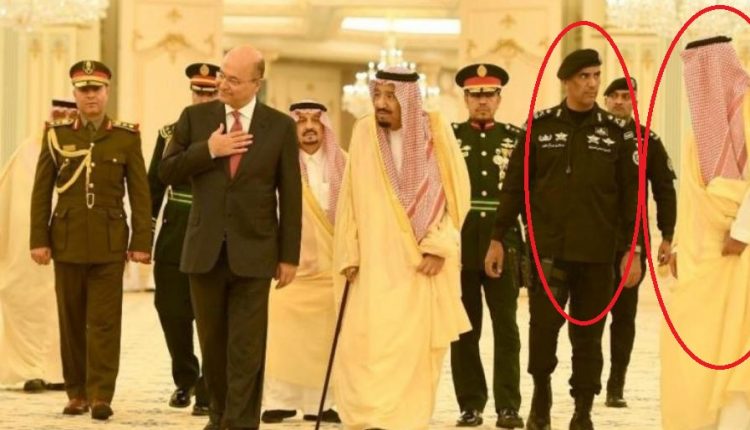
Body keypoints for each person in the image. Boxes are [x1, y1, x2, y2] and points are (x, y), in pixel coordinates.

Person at [485, 49, 641, 430]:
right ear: (567, 81)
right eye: (584, 76)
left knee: (589, 336)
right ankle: (541, 395)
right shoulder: (539, 127)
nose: (592, 83)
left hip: (598, 255)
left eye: (596, 75)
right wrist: (497, 237)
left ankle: (583, 408)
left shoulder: (617, 132)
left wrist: (632, 249)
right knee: (542, 329)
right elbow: (514, 187)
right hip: (549, 251)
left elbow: (631, 198)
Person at [158, 45, 302, 430]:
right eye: (223, 75)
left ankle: (241, 422)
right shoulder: (194, 118)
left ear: (257, 83)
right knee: (213, 345)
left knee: (247, 347)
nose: (223, 84)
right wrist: (209, 149)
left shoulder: (279, 126)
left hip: (255, 251)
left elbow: (290, 195)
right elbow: (166, 171)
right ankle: (219, 415)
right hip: (204, 251)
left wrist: (289, 256)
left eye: (234, 80)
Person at [332, 66, 471, 430]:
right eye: (377, 95)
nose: (381, 103)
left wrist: (440, 247)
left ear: (409, 99)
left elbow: (458, 196)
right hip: (373, 266)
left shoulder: (436, 131)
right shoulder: (364, 133)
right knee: (367, 346)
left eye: (390, 96)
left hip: (419, 267)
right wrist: (348, 251)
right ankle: (370, 418)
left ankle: (405, 419)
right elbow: (349, 198)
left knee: (413, 350)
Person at [29, 60, 152, 421]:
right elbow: (41, 191)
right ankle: (77, 392)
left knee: (105, 322)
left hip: (110, 243)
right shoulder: (56, 135)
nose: (90, 96)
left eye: (96, 89)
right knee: (71, 321)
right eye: (83, 90)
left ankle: (101, 394)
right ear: (75, 93)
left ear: (107, 91)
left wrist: (142, 240)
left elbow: (140, 193)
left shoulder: (126, 137)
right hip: (66, 241)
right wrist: (38, 238)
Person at [661, 35, 750, 430]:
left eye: (709, 73)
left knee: (738, 339)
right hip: (705, 257)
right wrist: (681, 245)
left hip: (740, 250)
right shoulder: (698, 135)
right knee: (700, 341)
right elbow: (693, 196)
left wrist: (744, 231)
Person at [449, 63, 525, 429]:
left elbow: (528, 193)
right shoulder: (449, 138)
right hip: (461, 242)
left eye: (489, 95)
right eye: (476, 95)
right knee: (464, 329)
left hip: (504, 241)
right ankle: (470, 404)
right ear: (465, 98)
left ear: (499, 98)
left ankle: (508, 405)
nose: (483, 101)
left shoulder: (516, 139)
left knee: (506, 328)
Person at [261, 100, 344, 425]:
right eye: (301, 121)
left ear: (325, 127)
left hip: (331, 269)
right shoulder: (275, 163)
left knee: (325, 340)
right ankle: (279, 401)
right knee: (282, 337)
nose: (309, 127)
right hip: (288, 268)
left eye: (315, 121)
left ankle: (320, 404)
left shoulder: (344, 164)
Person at [147, 62, 220, 416]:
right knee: (170, 310)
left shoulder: (230, 134)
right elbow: (154, 185)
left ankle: (208, 387)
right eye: (198, 91)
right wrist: (143, 237)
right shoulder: (169, 133)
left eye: (210, 92)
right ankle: (186, 378)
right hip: (175, 233)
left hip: (212, 232)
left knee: (210, 314)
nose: (203, 98)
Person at [602, 76, 676, 408]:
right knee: (589, 316)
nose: (620, 102)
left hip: (631, 244)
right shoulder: (591, 135)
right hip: (591, 241)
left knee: (624, 316)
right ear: (605, 100)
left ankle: (616, 383)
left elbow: (664, 189)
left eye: (626, 96)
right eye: (614, 96)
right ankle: (587, 381)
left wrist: (667, 234)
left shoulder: (647, 141)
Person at [0, 100, 76, 393]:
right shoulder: (25, 154)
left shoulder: (85, 151)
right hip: (26, 253)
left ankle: (59, 371)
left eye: (70, 115)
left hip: (69, 246)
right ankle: (28, 371)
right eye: (58, 115)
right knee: (26, 306)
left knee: (64, 309)